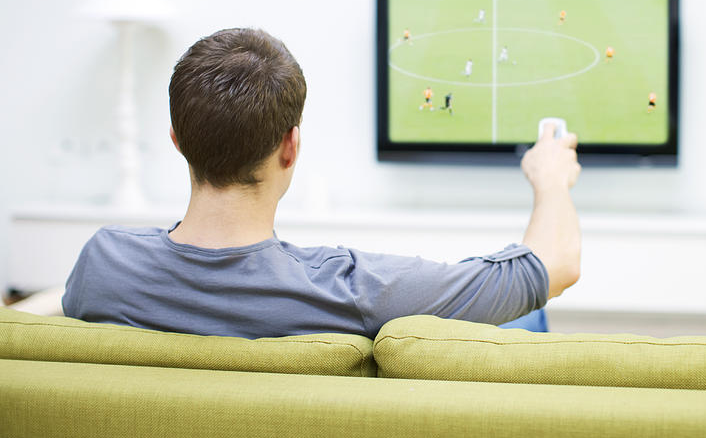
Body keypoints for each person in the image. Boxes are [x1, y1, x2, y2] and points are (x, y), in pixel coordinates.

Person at [62, 28, 581, 339]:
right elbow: (553, 268)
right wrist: (551, 180)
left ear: (177, 140)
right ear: (291, 146)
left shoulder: (103, 264)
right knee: (522, 324)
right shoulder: (350, 289)